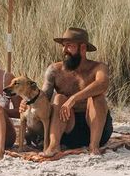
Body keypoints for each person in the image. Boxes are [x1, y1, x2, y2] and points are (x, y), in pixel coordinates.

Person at [41, 27, 112, 156]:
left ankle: (93, 146)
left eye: (69, 46)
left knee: (97, 98)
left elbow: (102, 84)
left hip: (96, 129)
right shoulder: (55, 70)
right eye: (63, 46)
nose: (64, 50)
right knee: (59, 98)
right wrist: (28, 102)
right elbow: (44, 97)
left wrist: (73, 98)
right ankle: (54, 145)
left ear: (83, 48)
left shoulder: (98, 67)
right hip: (68, 128)